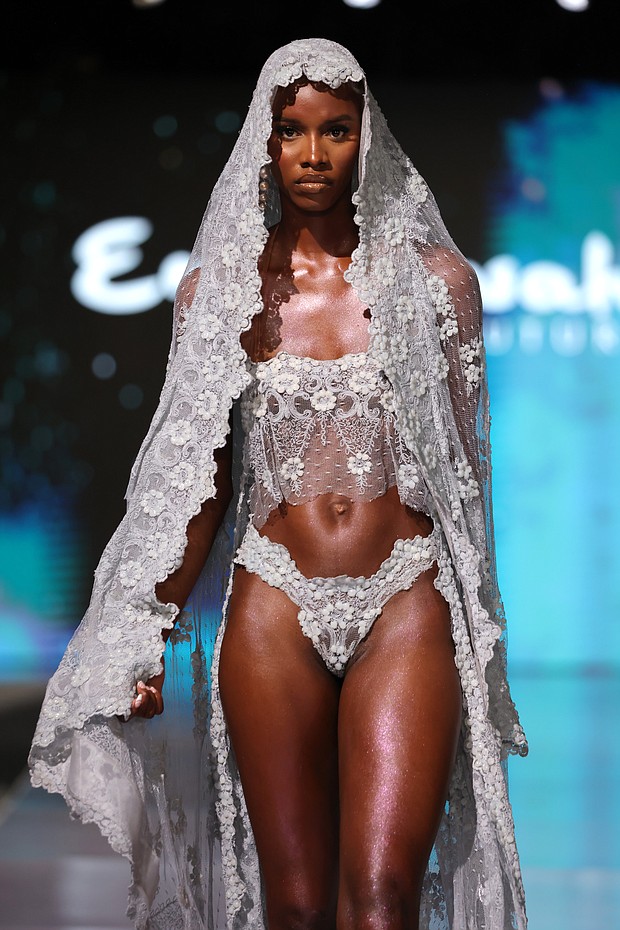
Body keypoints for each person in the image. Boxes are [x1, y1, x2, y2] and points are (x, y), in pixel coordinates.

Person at [29, 38, 528, 930]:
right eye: (291, 131)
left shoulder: (439, 285)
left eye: (335, 130)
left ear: (365, 137)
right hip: (274, 604)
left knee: (379, 902)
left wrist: (482, 643)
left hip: (404, 596)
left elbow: (464, 487)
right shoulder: (219, 295)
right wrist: (147, 630)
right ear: (263, 143)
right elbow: (198, 481)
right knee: (296, 908)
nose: (311, 154)